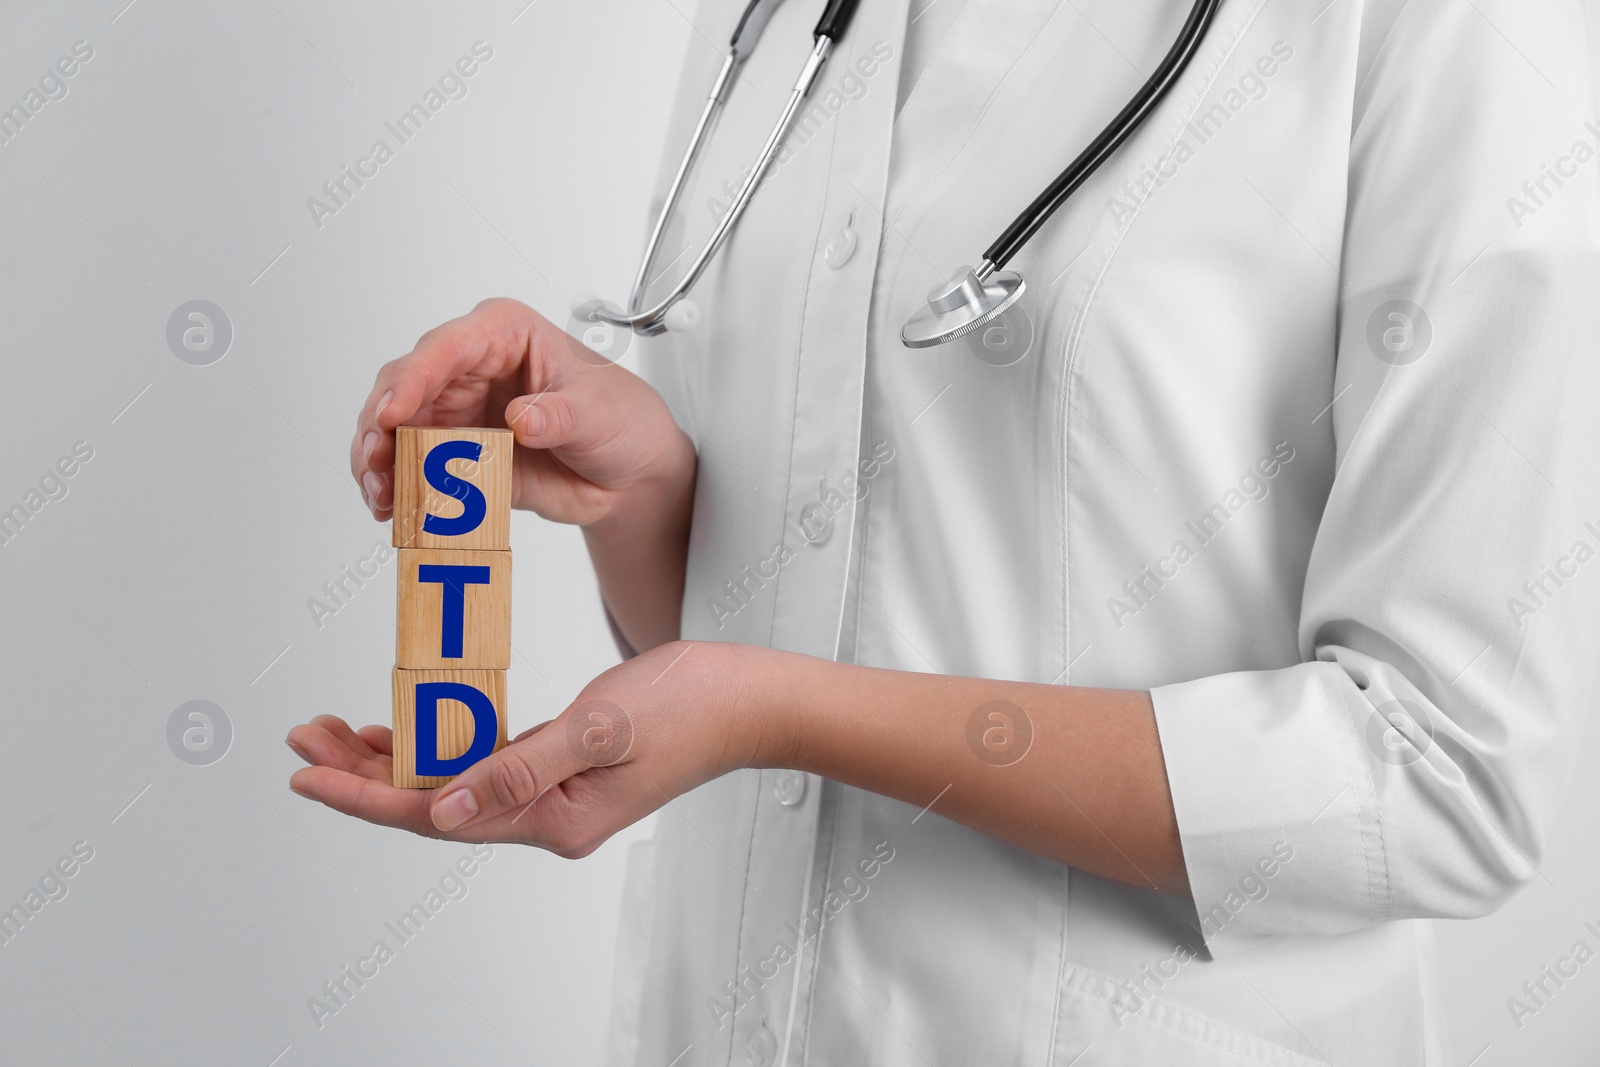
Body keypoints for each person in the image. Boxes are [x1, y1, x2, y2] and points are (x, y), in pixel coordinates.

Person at [286, 0, 1600, 1062]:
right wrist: (644, 494)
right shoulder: (790, 18)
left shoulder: (1445, 29)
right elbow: (758, 617)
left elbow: (1443, 778)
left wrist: (778, 708)